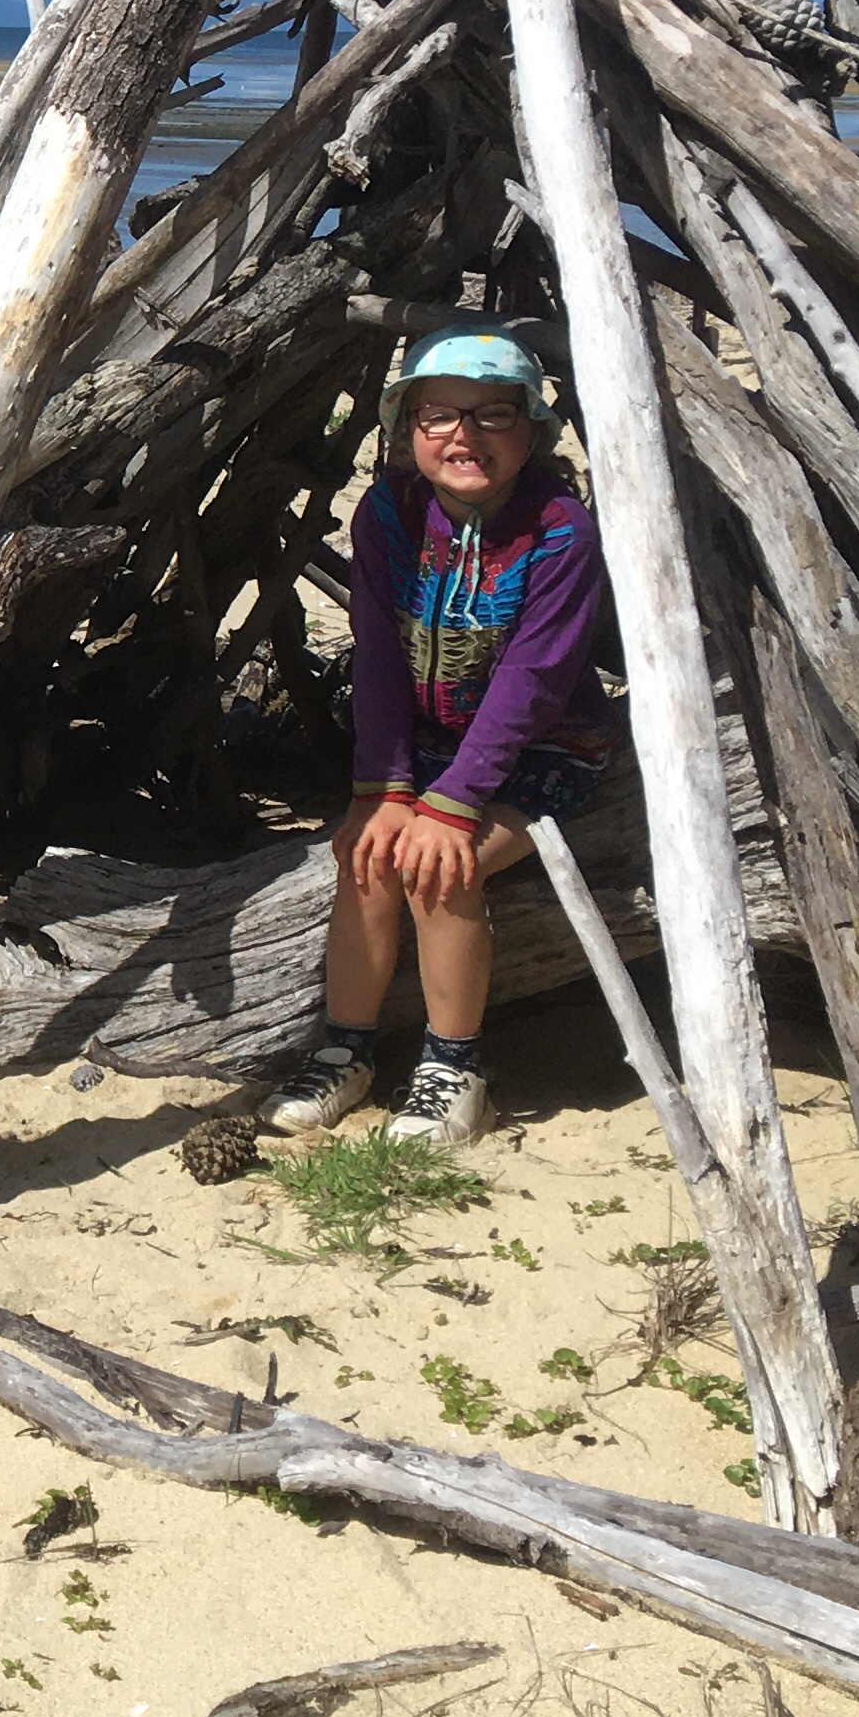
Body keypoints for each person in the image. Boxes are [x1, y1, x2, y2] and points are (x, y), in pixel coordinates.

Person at [262, 328, 615, 1146]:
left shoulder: (559, 530)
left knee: (439, 867)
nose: (465, 435)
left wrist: (454, 804)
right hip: (428, 746)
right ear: (407, 428)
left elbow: (535, 679)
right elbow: (379, 656)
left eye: (493, 415)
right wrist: (383, 789)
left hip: (546, 748)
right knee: (369, 856)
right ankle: (344, 1051)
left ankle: (455, 1068)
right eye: (440, 415)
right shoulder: (389, 514)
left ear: (532, 429)